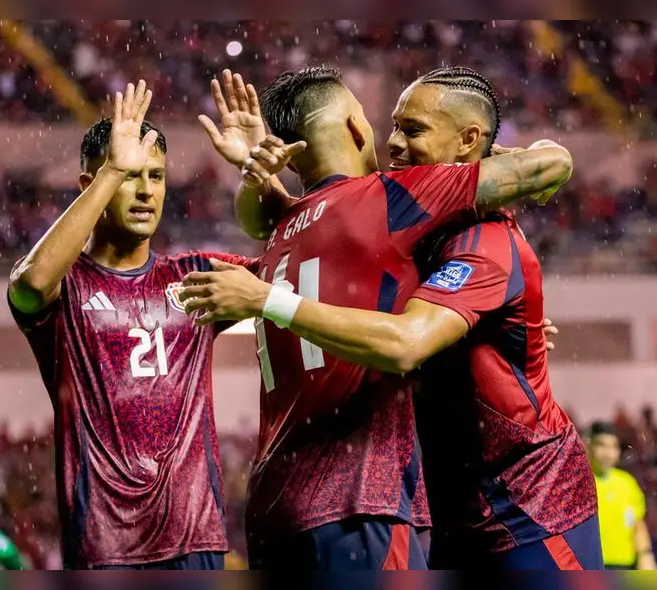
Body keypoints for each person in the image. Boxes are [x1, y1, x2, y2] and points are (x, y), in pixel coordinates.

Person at [183, 67, 598, 570]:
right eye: (392, 126)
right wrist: (256, 177)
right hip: (429, 504)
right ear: (358, 129)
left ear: (468, 140)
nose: (395, 143)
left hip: (525, 505)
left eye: (413, 130)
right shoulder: (388, 217)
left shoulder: (475, 234)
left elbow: (553, 164)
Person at [7, 80, 257, 569]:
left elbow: (294, 269)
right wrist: (110, 170)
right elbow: (30, 284)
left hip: (195, 540)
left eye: (156, 176)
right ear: (91, 186)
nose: (145, 191)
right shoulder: (68, 287)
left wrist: (258, 176)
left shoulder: (194, 276)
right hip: (105, 544)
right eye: (130, 176)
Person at [588, 422, 657, 570]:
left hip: (626, 564)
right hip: (592, 565)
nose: (608, 453)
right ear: (589, 446)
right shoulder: (579, 484)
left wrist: (646, 555)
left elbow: (637, 524)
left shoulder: (627, 483)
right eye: (601, 445)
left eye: (613, 447)